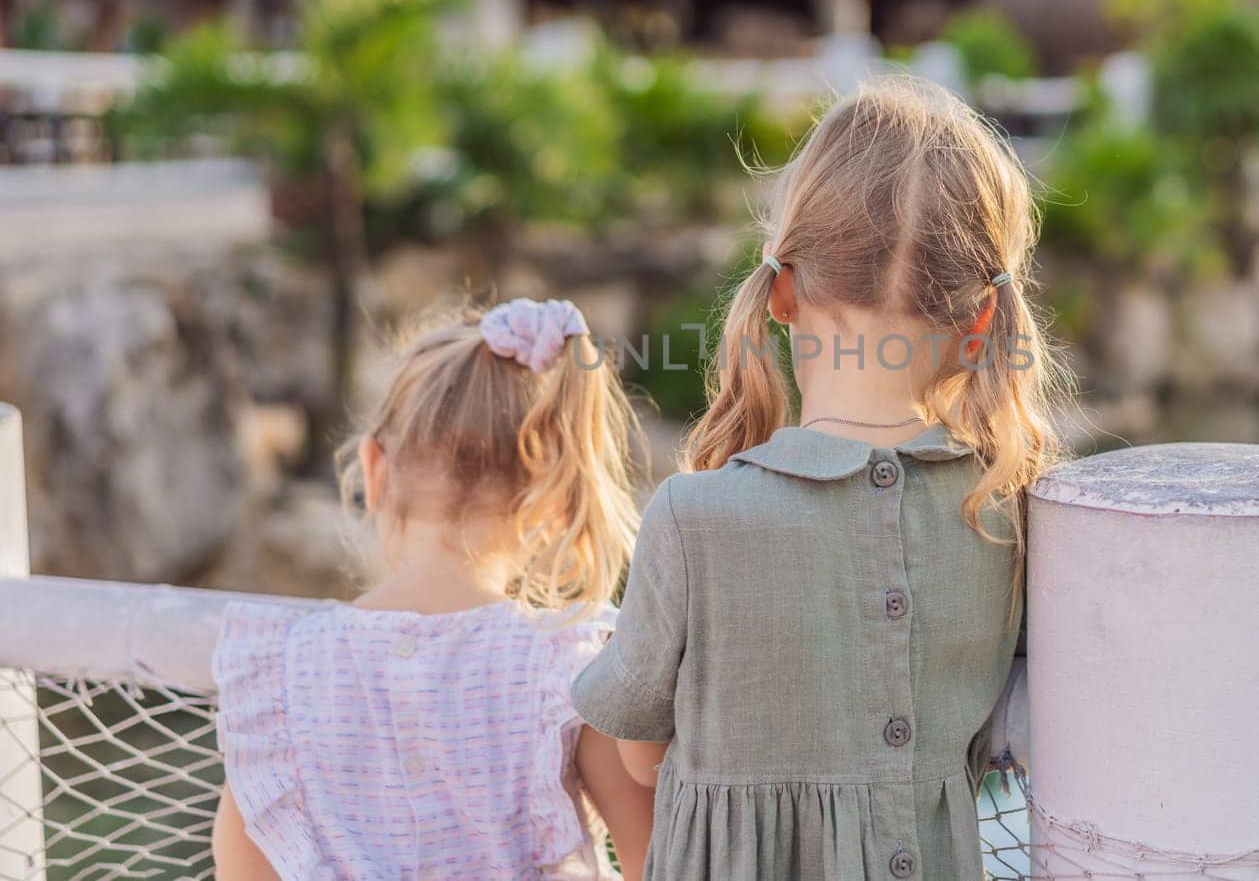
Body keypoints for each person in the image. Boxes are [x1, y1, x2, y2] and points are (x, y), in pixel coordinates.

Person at [572, 77, 1064, 880]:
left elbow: (635, 755)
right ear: (982, 321)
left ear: (785, 291)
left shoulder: (692, 517)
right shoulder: (1003, 514)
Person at [211, 299, 655, 880]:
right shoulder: (564, 666)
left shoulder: (281, 675)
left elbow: (245, 861)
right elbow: (662, 860)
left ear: (373, 470)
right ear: (553, 497)